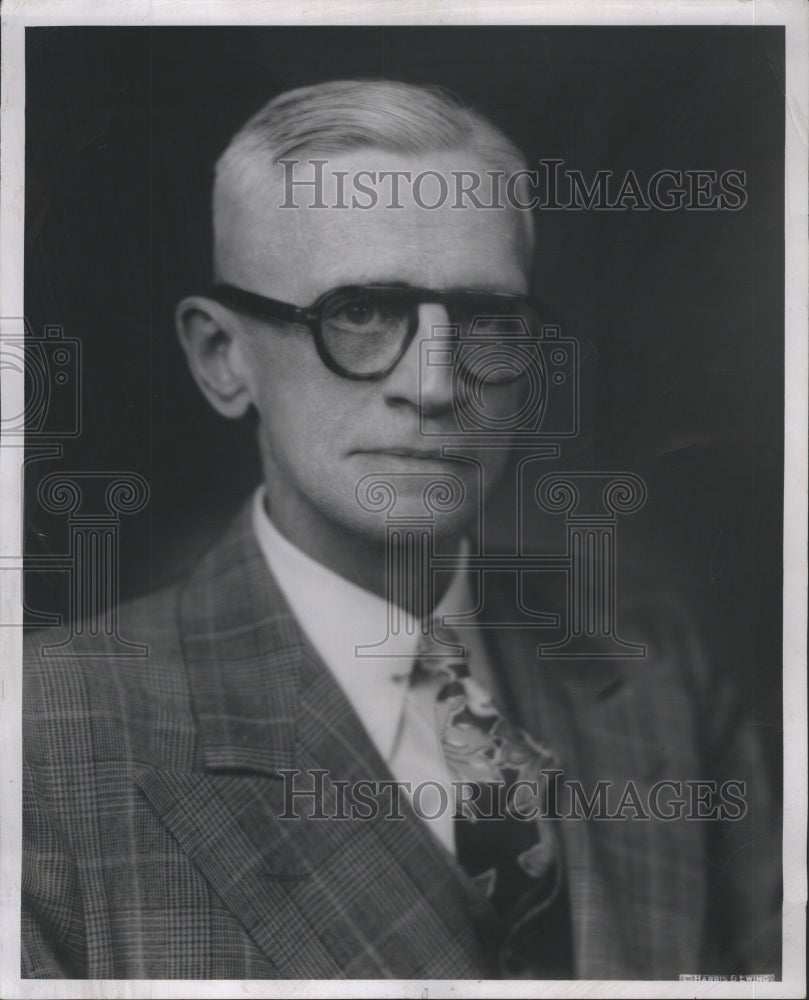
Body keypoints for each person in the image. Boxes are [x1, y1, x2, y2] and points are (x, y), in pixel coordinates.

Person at [22, 79, 780, 980]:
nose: (433, 384)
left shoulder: (655, 661)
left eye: (486, 320)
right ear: (222, 358)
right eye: (360, 313)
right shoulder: (44, 734)